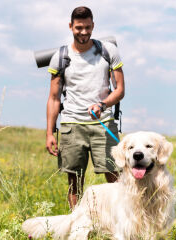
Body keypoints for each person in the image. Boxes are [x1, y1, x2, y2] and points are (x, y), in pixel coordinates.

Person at [46, 6, 125, 209]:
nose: (83, 32)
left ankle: (119, 225)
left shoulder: (108, 51)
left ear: (93, 26)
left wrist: (102, 104)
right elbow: (54, 98)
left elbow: (120, 90)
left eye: (88, 27)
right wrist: (50, 133)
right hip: (72, 125)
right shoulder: (60, 56)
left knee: (115, 177)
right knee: (74, 183)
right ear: (71, 26)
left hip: (103, 122)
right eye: (79, 28)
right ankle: (77, 227)